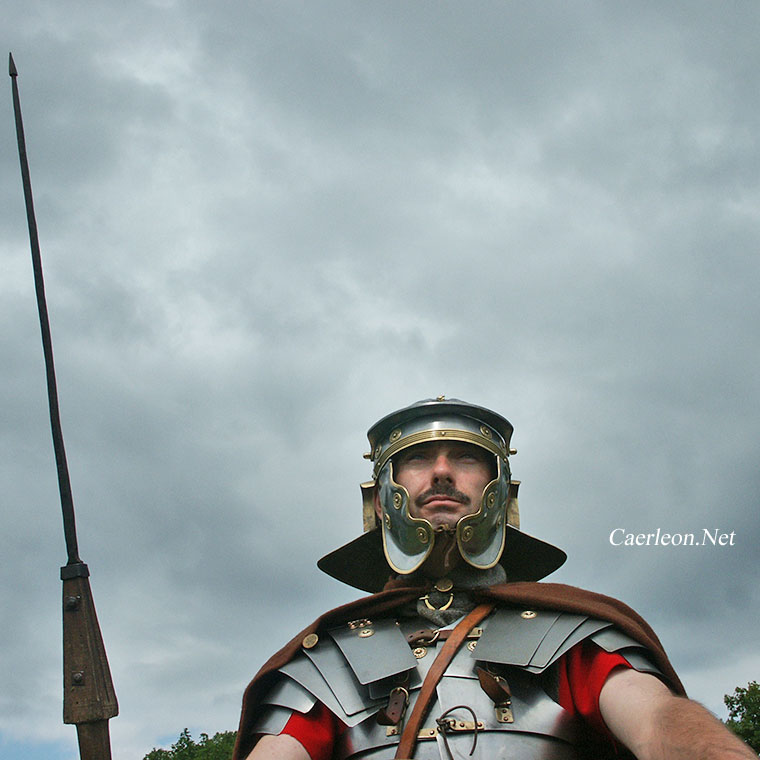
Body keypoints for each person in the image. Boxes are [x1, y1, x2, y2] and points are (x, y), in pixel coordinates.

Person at [232, 398, 753, 760]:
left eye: (465, 458)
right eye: (416, 459)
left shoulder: (569, 637)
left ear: (501, 492)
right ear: (381, 497)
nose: (441, 472)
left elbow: (657, 721)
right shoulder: (328, 660)